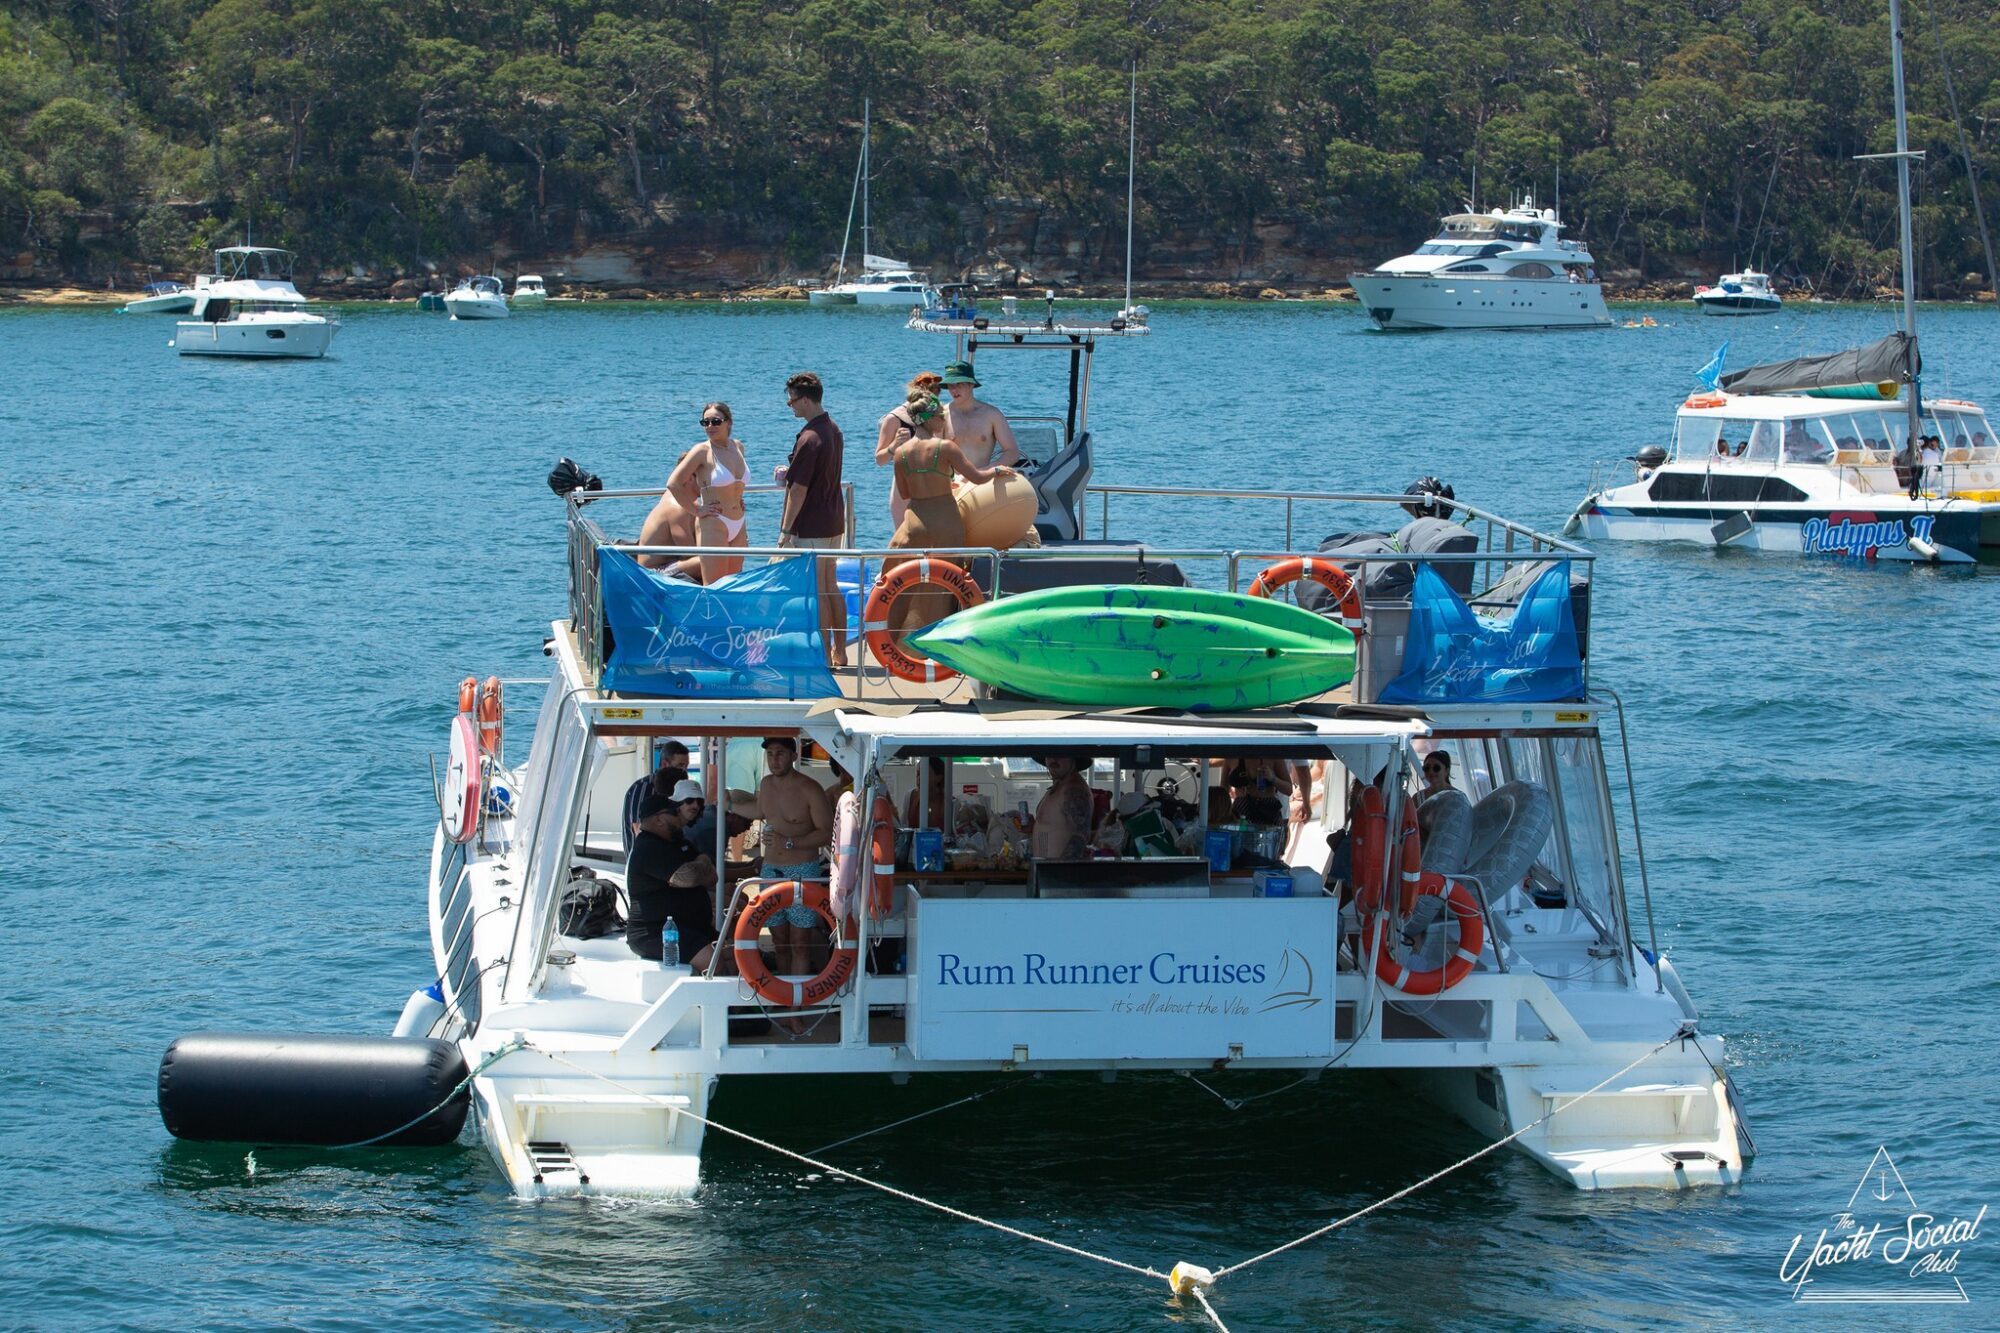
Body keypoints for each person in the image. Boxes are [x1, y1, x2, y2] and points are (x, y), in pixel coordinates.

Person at [779, 372, 848, 668]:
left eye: (792, 401)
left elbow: (798, 490)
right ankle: (840, 651)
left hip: (813, 523)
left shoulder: (809, 438)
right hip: (834, 519)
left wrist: (784, 530)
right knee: (830, 585)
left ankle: (822, 653)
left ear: (806, 400)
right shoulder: (833, 429)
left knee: (818, 589)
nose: (790, 406)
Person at [757, 736, 834, 980]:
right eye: (770, 754)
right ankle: (785, 997)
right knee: (779, 940)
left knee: (800, 942)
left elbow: (826, 832)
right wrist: (726, 801)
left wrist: (789, 843)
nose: (774, 759)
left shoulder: (810, 788)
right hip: (770, 870)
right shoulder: (766, 784)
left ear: (794, 755)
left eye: (779, 753)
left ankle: (795, 1008)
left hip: (803, 870)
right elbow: (759, 810)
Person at [624, 783, 719, 965]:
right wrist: (702, 863)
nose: (680, 817)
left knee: (734, 954)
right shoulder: (648, 848)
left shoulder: (678, 842)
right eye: (675, 813)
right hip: (656, 932)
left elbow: (713, 878)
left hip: (690, 929)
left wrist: (700, 865)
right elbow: (687, 877)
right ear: (659, 819)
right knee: (714, 961)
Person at [664, 402, 748, 583]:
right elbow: (674, 483)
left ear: (728, 423)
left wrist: (738, 498)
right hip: (714, 523)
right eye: (705, 422)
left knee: (733, 584)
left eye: (715, 421)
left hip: (739, 522)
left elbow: (735, 483)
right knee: (714, 587)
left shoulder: (738, 447)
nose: (710, 426)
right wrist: (696, 510)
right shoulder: (701, 451)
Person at [877, 373, 949, 528]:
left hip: (935, 484)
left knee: (937, 541)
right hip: (905, 485)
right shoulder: (894, 418)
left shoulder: (940, 417)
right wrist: (894, 446)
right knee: (905, 538)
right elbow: (880, 459)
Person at [939, 361, 1021, 468]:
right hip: (952, 481)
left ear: (971, 384)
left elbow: (1012, 452)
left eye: (959, 384)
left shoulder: (992, 414)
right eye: (950, 385)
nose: (954, 390)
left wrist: (986, 471)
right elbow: (935, 454)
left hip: (983, 481)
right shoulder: (942, 415)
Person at [621, 741, 691, 856]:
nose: (684, 771)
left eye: (686, 766)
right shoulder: (644, 787)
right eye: (680, 766)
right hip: (645, 859)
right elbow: (638, 828)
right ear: (664, 764)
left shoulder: (676, 790)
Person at [635, 455, 698, 573]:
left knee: (717, 555)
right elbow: (690, 554)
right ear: (690, 478)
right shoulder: (677, 508)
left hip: (669, 563)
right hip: (654, 573)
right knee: (710, 560)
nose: (710, 480)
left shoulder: (687, 501)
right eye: (705, 475)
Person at [1031, 756, 1093, 859]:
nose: (1054, 758)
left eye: (1061, 753)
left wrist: (1062, 871)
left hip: (1060, 872)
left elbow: (1081, 835)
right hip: (1044, 870)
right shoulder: (1058, 787)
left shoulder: (1074, 789)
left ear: (1073, 757)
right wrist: (1033, 826)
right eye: (1048, 753)